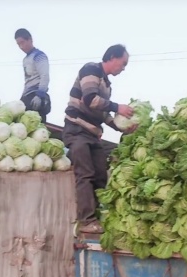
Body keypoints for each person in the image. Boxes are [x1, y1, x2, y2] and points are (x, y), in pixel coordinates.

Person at [62, 44, 137, 234]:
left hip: (92, 133)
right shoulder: (91, 70)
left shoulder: (107, 84)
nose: (124, 68)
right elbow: (90, 100)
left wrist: (122, 127)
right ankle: (86, 220)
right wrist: (117, 107)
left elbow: (103, 113)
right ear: (112, 57)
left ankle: (97, 217)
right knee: (85, 174)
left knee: (101, 175)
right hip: (77, 128)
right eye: (123, 63)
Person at [14, 28, 51, 123]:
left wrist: (40, 95)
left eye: (22, 42)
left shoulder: (39, 56)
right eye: (18, 44)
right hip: (26, 96)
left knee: (36, 127)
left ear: (30, 39)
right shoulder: (25, 60)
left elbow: (45, 76)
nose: (21, 46)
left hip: (36, 96)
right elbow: (27, 81)